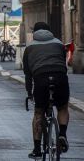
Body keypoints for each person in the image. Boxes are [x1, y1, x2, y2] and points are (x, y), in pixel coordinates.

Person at [23, 22, 70, 159]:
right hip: (60, 77)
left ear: (34, 33)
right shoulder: (59, 44)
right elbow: (64, 65)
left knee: (38, 113)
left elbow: (28, 74)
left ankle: (37, 149)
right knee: (62, 107)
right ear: (50, 32)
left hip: (41, 79)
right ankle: (62, 134)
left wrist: (29, 93)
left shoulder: (29, 47)